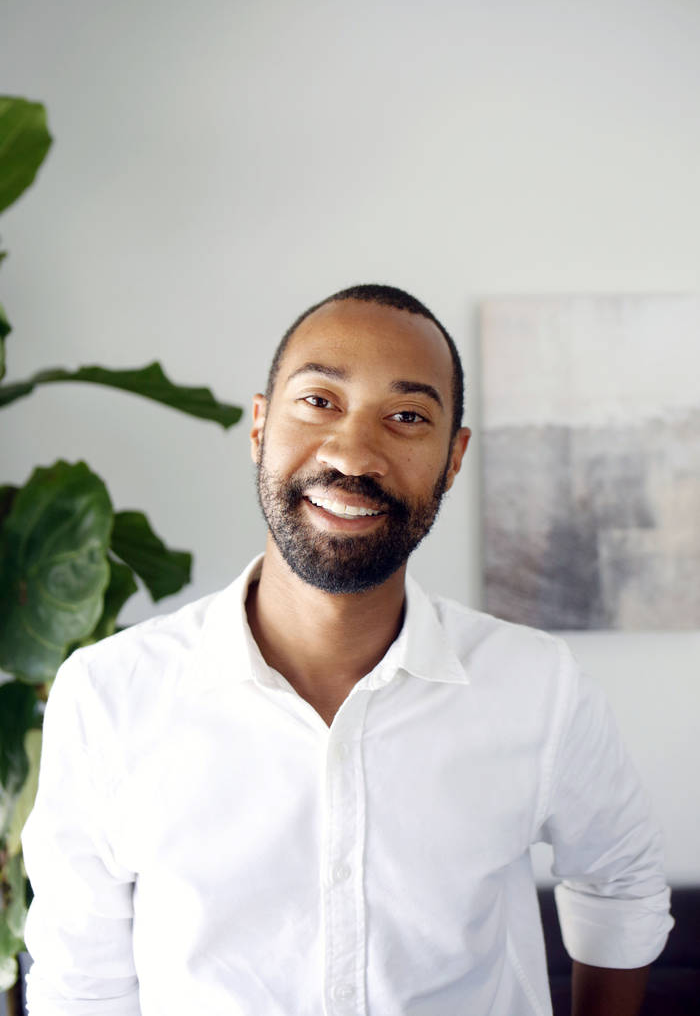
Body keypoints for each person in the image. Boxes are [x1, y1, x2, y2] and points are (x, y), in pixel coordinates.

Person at [22, 284, 672, 1016]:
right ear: (260, 425)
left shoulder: (536, 687)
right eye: (319, 401)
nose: (353, 453)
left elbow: (622, 881)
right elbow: (81, 987)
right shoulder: (108, 695)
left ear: (453, 458)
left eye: (406, 417)